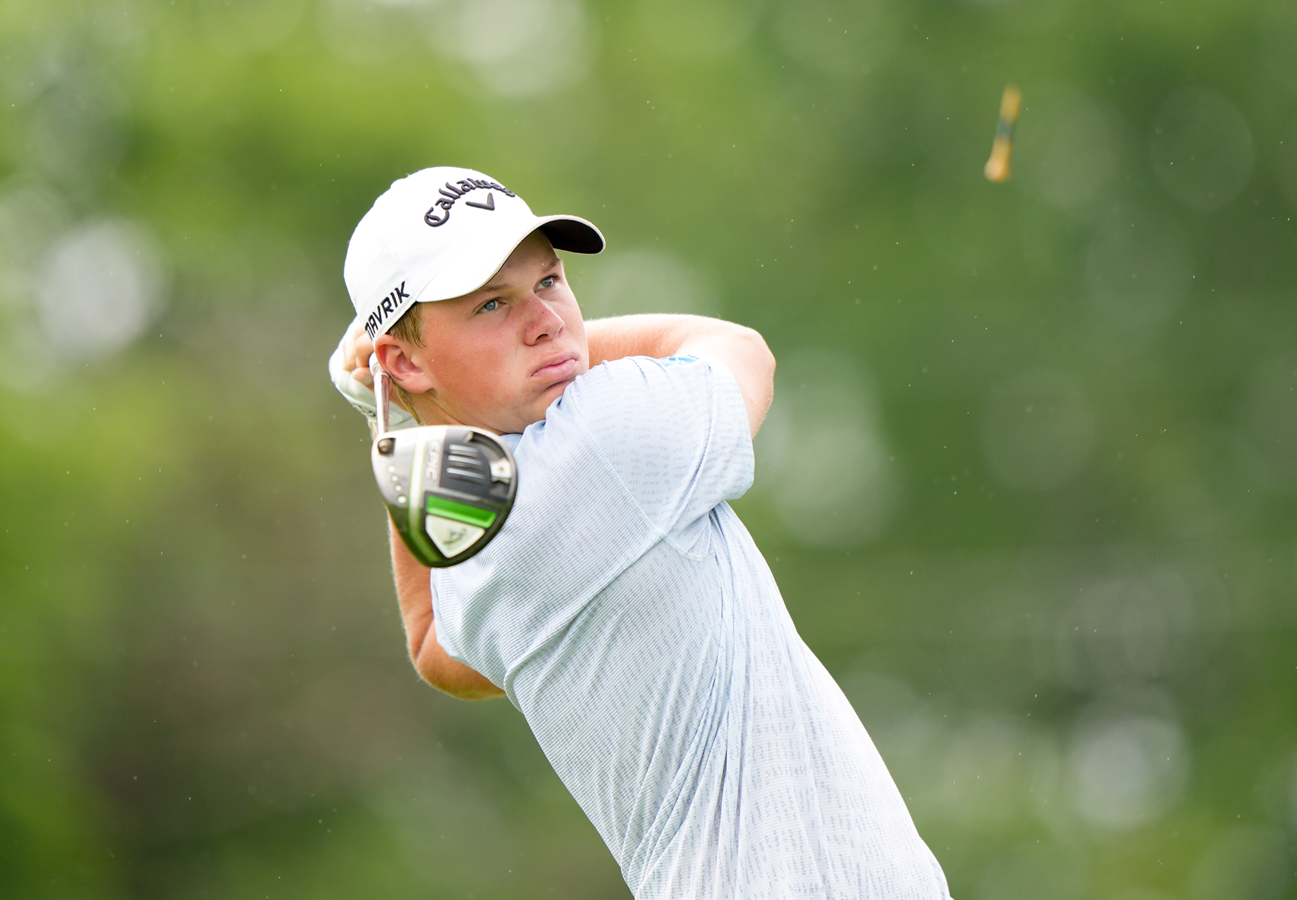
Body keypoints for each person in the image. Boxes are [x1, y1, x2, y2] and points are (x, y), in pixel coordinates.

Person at [330, 167, 951, 899]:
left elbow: (433, 646)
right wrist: (554, 353)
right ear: (405, 359)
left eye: (549, 282)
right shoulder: (609, 435)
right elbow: (737, 346)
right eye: (492, 304)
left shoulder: (471, 545)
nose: (546, 320)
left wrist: (391, 410)